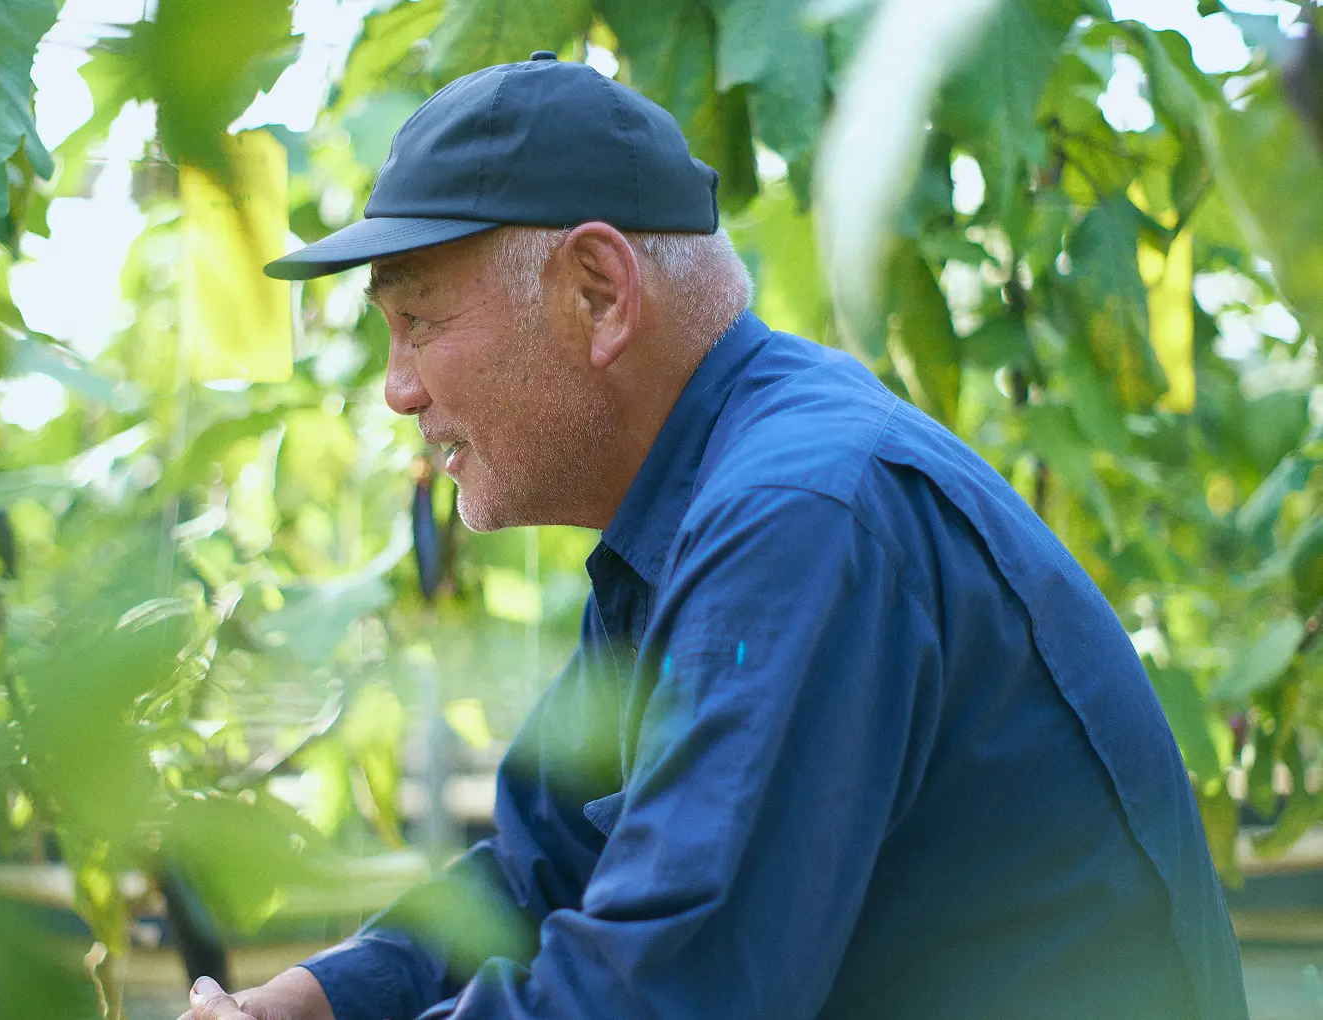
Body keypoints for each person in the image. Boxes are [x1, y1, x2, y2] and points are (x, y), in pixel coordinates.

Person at [180, 51, 1248, 1020]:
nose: (398, 391)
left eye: (421, 323)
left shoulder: (800, 517)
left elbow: (659, 999)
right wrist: (322, 998)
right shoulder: (699, 502)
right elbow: (544, 861)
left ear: (598, 293)